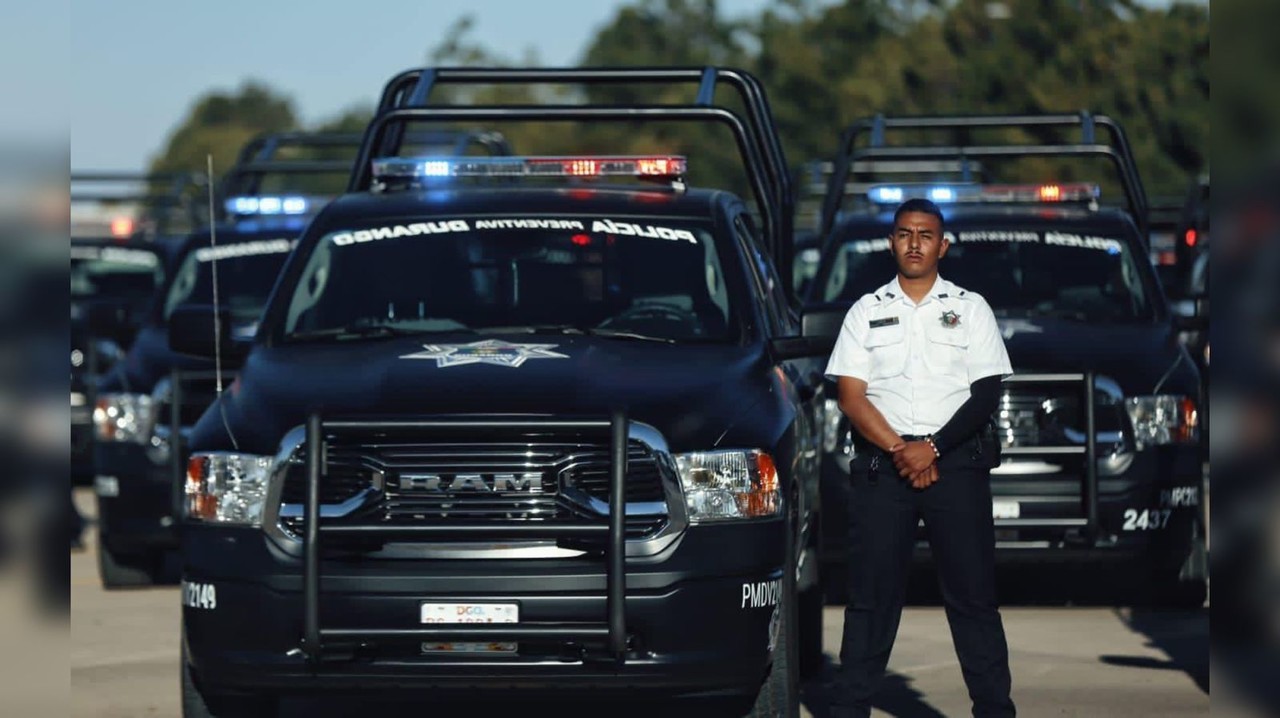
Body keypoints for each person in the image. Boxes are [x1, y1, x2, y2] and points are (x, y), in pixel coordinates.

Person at [824, 198, 1016, 717]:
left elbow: (985, 395)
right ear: (892, 242)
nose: (914, 243)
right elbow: (850, 395)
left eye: (925, 234)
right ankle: (850, 709)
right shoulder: (865, 310)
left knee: (973, 599)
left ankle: (995, 710)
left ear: (943, 245)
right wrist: (900, 449)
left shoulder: (971, 308)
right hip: (883, 467)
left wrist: (930, 448)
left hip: (955, 464)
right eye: (905, 233)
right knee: (870, 601)